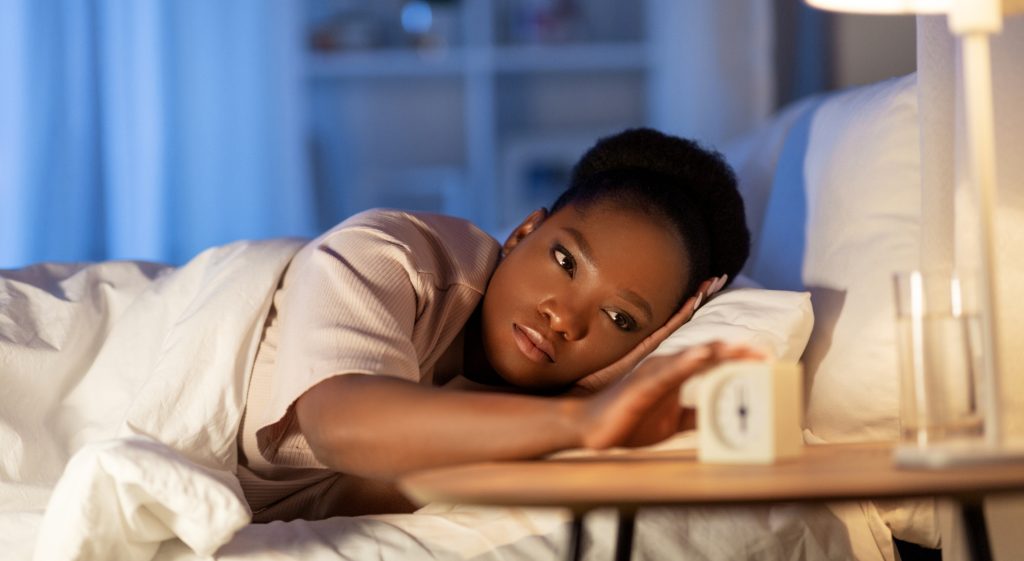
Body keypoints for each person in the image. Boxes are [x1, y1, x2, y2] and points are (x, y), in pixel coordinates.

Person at [235, 127, 758, 521]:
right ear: (523, 232)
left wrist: (581, 404)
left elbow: (369, 489)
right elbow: (339, 426)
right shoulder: (391, 256)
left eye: (620, 318)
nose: (564, 317)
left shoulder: (531, 415)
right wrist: (580, 422)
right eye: (566, 261)